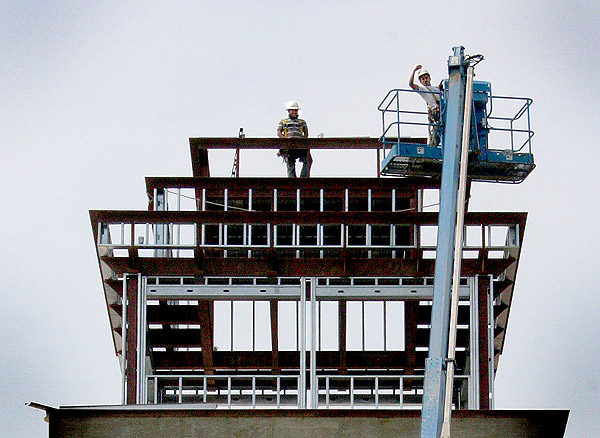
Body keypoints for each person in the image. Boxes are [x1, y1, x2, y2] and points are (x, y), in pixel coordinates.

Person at [409, 65, 443, 146]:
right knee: (433, 143)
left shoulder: (437, 88)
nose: (425, 80)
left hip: (443, 114)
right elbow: (411, 84)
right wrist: (414, 70)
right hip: (437, 118)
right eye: (423, 79)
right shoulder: (423, 90)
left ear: (430, 78)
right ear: (420, 82)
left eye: (426, 78)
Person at [277, 101, 312, 177]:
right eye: (292, 110)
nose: (294, 112)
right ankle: (292, 182)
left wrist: (302, 141)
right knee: (290, 164)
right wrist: (286, 140)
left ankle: (303, 178)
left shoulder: (302, 122)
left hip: (300, 146)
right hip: (289, 147)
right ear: (289, 111)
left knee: (308, 159)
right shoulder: (283, 122)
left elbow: (306, 133)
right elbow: (279, 132)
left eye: (295, 110)